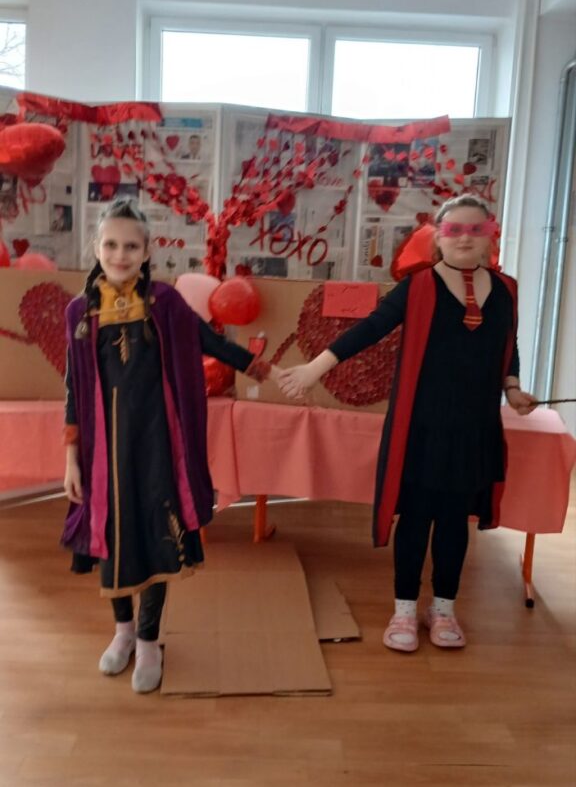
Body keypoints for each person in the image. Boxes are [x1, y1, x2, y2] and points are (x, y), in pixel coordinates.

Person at [278, 195, 536, 653]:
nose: (464, 238)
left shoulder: (507, 290)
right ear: (438, 236)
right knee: (416, 518)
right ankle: (403, 608)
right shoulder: (417, 287)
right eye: (454, 230)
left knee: (455, 522)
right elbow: (370, 328)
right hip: (421, 429)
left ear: (490, 236)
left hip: (474, 430)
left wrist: (513, 388)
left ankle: (444, 608)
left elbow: (508, 344)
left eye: (475, 230)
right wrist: (315, 368)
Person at [62, 197, 277, 693]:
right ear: (96, 247)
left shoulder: (165, 303)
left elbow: (211, 342)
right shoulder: (80, 312)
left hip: (159, 446)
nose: (120, 255)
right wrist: (71, 456)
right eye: (111, 245)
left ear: (146, 252)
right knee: (113, 537)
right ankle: (122, 632)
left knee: (158, 535)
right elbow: (73, 386)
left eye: (130, 246)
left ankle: (149, 640)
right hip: (103, 455)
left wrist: (263, 368)